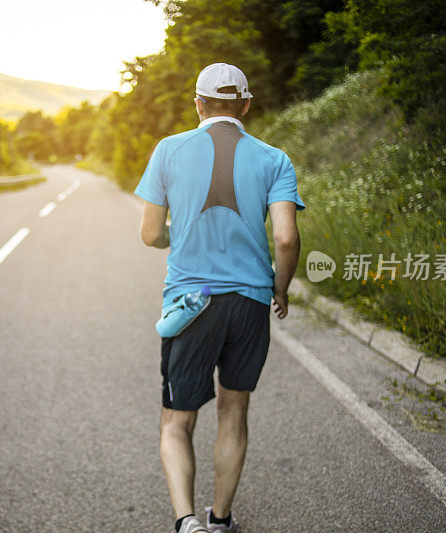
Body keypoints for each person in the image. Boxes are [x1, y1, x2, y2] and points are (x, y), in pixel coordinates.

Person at [135, 63, 304, 533]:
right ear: (246, 105)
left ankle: (187, 523)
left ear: (198, 104)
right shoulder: (275, 159)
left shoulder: (169, 150)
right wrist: (280, 288)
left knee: (176, 420)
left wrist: (182, 237)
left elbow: (150, 235)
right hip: (250, 302)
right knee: (234, 411)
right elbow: (286, 239)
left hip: (192, 301)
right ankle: (221, 519)